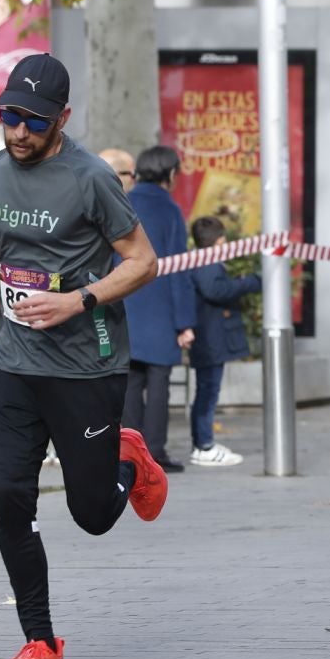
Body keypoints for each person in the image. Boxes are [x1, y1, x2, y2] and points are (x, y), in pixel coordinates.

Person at [0, 53, 169, 659]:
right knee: (9, 499)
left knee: (92, 515)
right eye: (10, 116)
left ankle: (129, 460)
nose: (20, 131)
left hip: (86, 366)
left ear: (62, 118)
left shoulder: (91, 178)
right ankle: (40, 644)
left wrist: (78, 300)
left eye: (35, 121)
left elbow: (143, 262)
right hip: (14, 364)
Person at [120, 145, 195, 473]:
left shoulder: (124, 202)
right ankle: (156, 454)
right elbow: (179, 269)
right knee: (159, 382)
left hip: (125, 303)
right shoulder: (170, 210)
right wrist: (184, 322)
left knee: (131, 383)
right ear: (171, 173)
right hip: (160, 309)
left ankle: (130, 456)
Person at [186, 215, 256, 468]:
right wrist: (246, 283)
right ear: (219, 241)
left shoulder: (199, 260)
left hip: (208, 336)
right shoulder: (208, 263)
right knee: (208, 392)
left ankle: (203, 443)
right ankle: (204, 445)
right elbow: (215, 290)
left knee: (206, 390)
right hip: (210, 337)